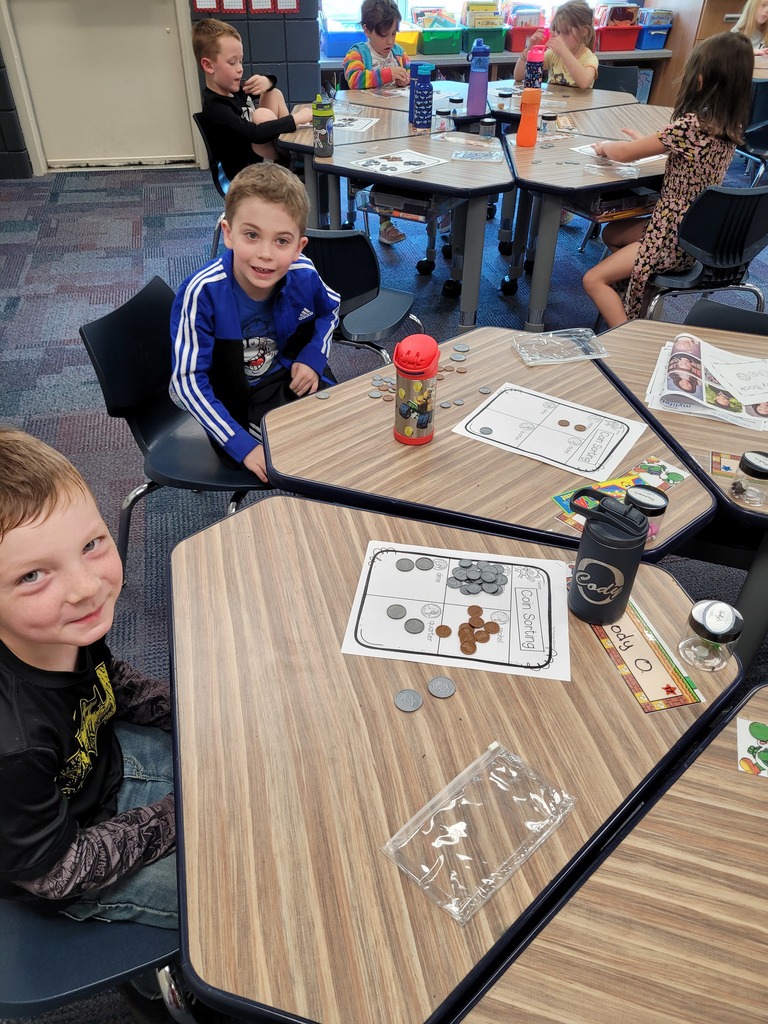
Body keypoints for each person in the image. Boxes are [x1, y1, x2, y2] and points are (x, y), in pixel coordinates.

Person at [0, 427, 176, 929]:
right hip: (66, 864)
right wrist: (182, 815)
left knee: (242, 763)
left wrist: (184, 709)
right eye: (33, 575)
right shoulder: (13, 746)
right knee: (234, 888)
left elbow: (106, 678)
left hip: (100, 768)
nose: (85, 587)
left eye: (93, 543)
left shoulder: (65, 625)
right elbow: (58, 872)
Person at [171, 162, 340, 484]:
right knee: (311, 465)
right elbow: (188, 381)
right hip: (236, 404)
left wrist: (313, 357)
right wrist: (242, 446)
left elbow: (330, 309)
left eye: (281, 241)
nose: (265, 254)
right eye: (252, 235)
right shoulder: (202, 293)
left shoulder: (302, 272)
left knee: (351, 430)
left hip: (287, 380)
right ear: (228, 233)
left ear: (298, 247)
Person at [582, 32, 754, 329]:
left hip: (668, 237)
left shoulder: (690, 126)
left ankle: (630, 338)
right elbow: (694, 163)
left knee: (593, 279)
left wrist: (605, 148)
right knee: (612, 235)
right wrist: (648, 142)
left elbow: (622, 154)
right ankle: (642, 295)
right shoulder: (729, 127)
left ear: (700, 80)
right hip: (696, 234)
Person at [192, 17, 312, 181]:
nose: (240, 69)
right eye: (232, 62)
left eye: (241, 61)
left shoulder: (235, 89)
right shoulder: (215, 107)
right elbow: (254, 134)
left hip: (261, 159)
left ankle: (292, 154)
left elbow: (271, 83)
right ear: (208, 65)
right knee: (261, 115)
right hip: (249, 174)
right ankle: (289, 161)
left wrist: (267, 81)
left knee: (272, 93)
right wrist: (297, 118)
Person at [343, 0, 411, 244]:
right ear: (367, 30)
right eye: (383, 36)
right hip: (368, 129)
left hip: (396, 123)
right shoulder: (358, 53)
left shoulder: (399, 54)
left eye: (393, 34)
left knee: (400, 167)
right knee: (383, 173)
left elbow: (407, 78)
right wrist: (389, 74)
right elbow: (354, 79)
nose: (390, 42)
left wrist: (405, 79)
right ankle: (384, 224)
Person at [514, 0, 598, 89]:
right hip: (554, 102)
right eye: (558, 32)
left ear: (584, 31)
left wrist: (563, 52)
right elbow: (519, 76)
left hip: (580, 103)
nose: (560, 38)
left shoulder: (589, 58)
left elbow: (584, 82)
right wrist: (529, 51)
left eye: (566, 33)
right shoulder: (552, 55)